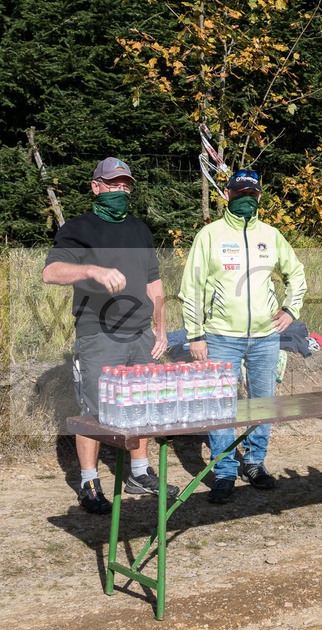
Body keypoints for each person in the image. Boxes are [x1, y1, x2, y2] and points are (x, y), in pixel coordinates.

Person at [43, 157, 180, 513]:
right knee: (95, 410)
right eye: (113, 184)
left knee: (142, 404)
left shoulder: (140, 229)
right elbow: (51, 272)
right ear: (96, 186)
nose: (120, 191)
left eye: (125, 185)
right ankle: (89, 483)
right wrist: (92, 270)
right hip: (98, 332)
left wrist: (160, 325)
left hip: (141, 334)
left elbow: (154, 281)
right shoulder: (78, 228)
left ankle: (139, 473)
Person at [178, 169, 307, 503]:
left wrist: (291, 310)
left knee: (261, 402)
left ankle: (254, 463)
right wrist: (195, 335)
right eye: (239, 193)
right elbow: (190, 289)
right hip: (220, 336)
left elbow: (296, 273)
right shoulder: (210, 235)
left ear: (260, 196)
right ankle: (223, 472)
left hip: (266, 338)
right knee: (221, 406)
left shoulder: (271, 235)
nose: (245, 199)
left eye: (252, 193)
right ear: (228, 195)